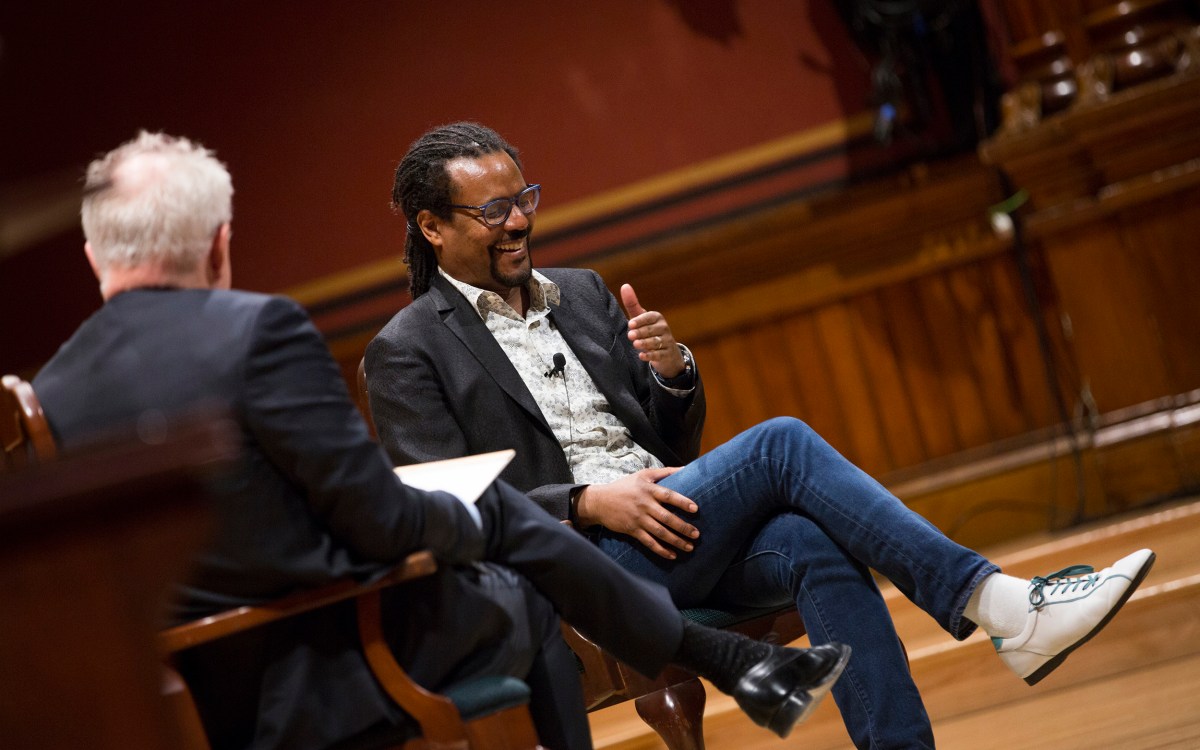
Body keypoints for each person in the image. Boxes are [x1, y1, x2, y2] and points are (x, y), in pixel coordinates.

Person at [31, 132, 851, 750]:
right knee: (514, 579)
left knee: (507, 531)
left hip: (178, 696)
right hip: (338, 652)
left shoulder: (50, 393)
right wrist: (493, 519)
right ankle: (731, 662)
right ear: (219, 244)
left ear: (94, 253)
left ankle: (731, 662)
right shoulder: (260, 328)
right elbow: (378, 522)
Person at [364, 121, 1158, 750]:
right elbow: (450, 508)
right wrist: (587, 502)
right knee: (780, 442)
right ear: (432, 227)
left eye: (524, 196)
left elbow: (670, 430)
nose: (521, 220)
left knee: (810, 536)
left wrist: (673, 374)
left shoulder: (581, 292)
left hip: (675, 526)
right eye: (493, 210)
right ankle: (1002, 606)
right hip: (578, 571)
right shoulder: (406, 350)